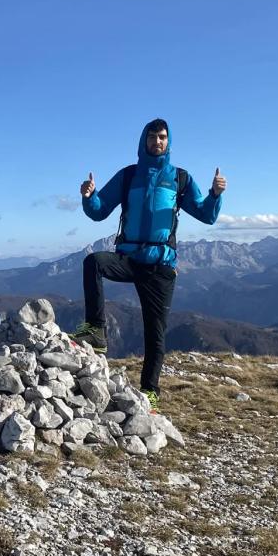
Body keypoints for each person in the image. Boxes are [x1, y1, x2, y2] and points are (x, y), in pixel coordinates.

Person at [71, 118, 226, 411]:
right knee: (94, 262)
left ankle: (150, 392)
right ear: (144, 141)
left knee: (155, 332)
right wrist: (89, 197)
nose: (158, 141)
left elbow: (206, 215)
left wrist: (215, 195)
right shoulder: (129, 176)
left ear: (169, 141)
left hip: (161, 265)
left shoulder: (180, 178)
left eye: (163, 137)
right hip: (129, 258)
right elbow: (100, 211)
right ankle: (96, 329)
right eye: (153, 137)